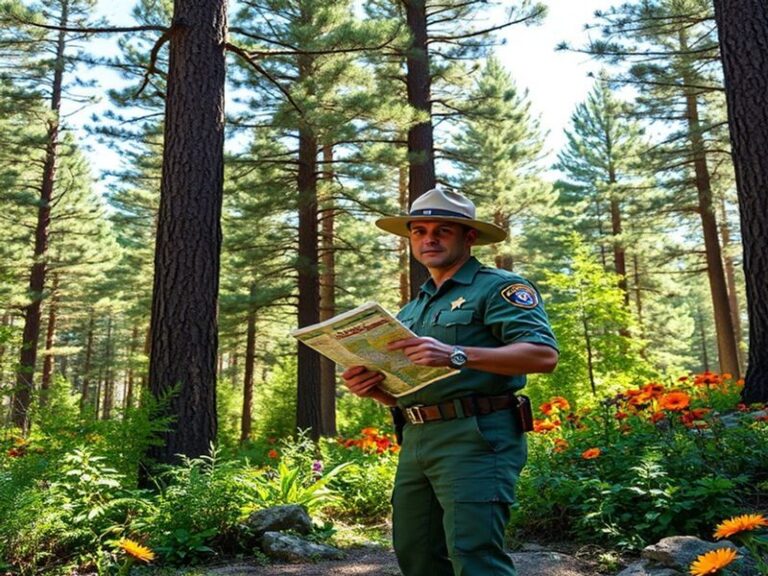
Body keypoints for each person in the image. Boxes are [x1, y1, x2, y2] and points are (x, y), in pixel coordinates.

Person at [342, 188, 559, 576]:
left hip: (477, 435)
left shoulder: (498, 288)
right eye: (419, 230)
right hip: (417, 438)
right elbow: (411, 387)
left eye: (443, 230)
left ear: (468, 237)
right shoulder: (413, 307)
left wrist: (457, 354)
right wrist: (376, 389)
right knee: (417, 553)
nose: (429, 239)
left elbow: (543, 356)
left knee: (474, 556)